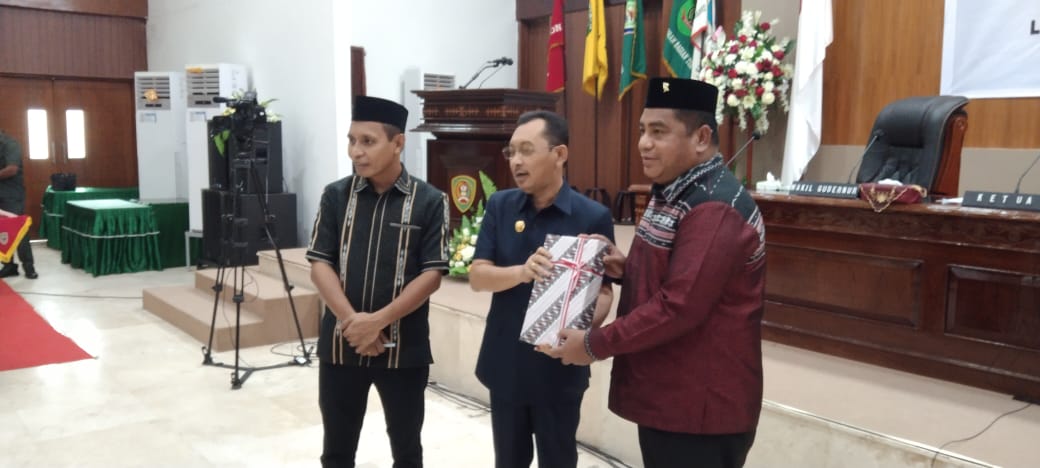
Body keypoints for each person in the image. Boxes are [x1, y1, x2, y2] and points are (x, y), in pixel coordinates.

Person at [543, 78, 767, 468]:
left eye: (659, 132)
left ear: (701, 138)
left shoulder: (714, 207)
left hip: (700, 408)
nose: (644, 143)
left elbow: (678, 307)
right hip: (672, 393)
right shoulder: (676, 188)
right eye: (643, 130)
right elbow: (680, 277)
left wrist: (593, 344)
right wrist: (625, 267)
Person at [306, 96, 450, 468]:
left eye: (368, 141)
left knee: (407, 451)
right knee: (336, 451)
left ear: (398, 143)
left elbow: (432, 275)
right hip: (341, 345)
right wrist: (353, 322)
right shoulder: (336, 196)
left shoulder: (429, 201)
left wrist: (378, 321)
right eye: (352, 140)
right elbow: (320, 263)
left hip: (403, 349)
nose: (356, 151)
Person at [468, 110, 616, 468]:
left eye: (527, 150)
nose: (516, 161)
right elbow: (478, 276)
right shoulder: (501, 206)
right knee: (509, 461)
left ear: (559, 154)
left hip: (558, 369)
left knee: (559, 459)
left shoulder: (592, 216)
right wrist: (522, 272)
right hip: (507, 364)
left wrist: (581, 330)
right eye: (512, 152)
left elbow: (604, 292)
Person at [0, 129, 37, 279]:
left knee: (19, 230)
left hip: (11, 195)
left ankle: (29, 267)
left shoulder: (10, 144)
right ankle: (8, 265)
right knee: (2, 231)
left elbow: (12, 169)